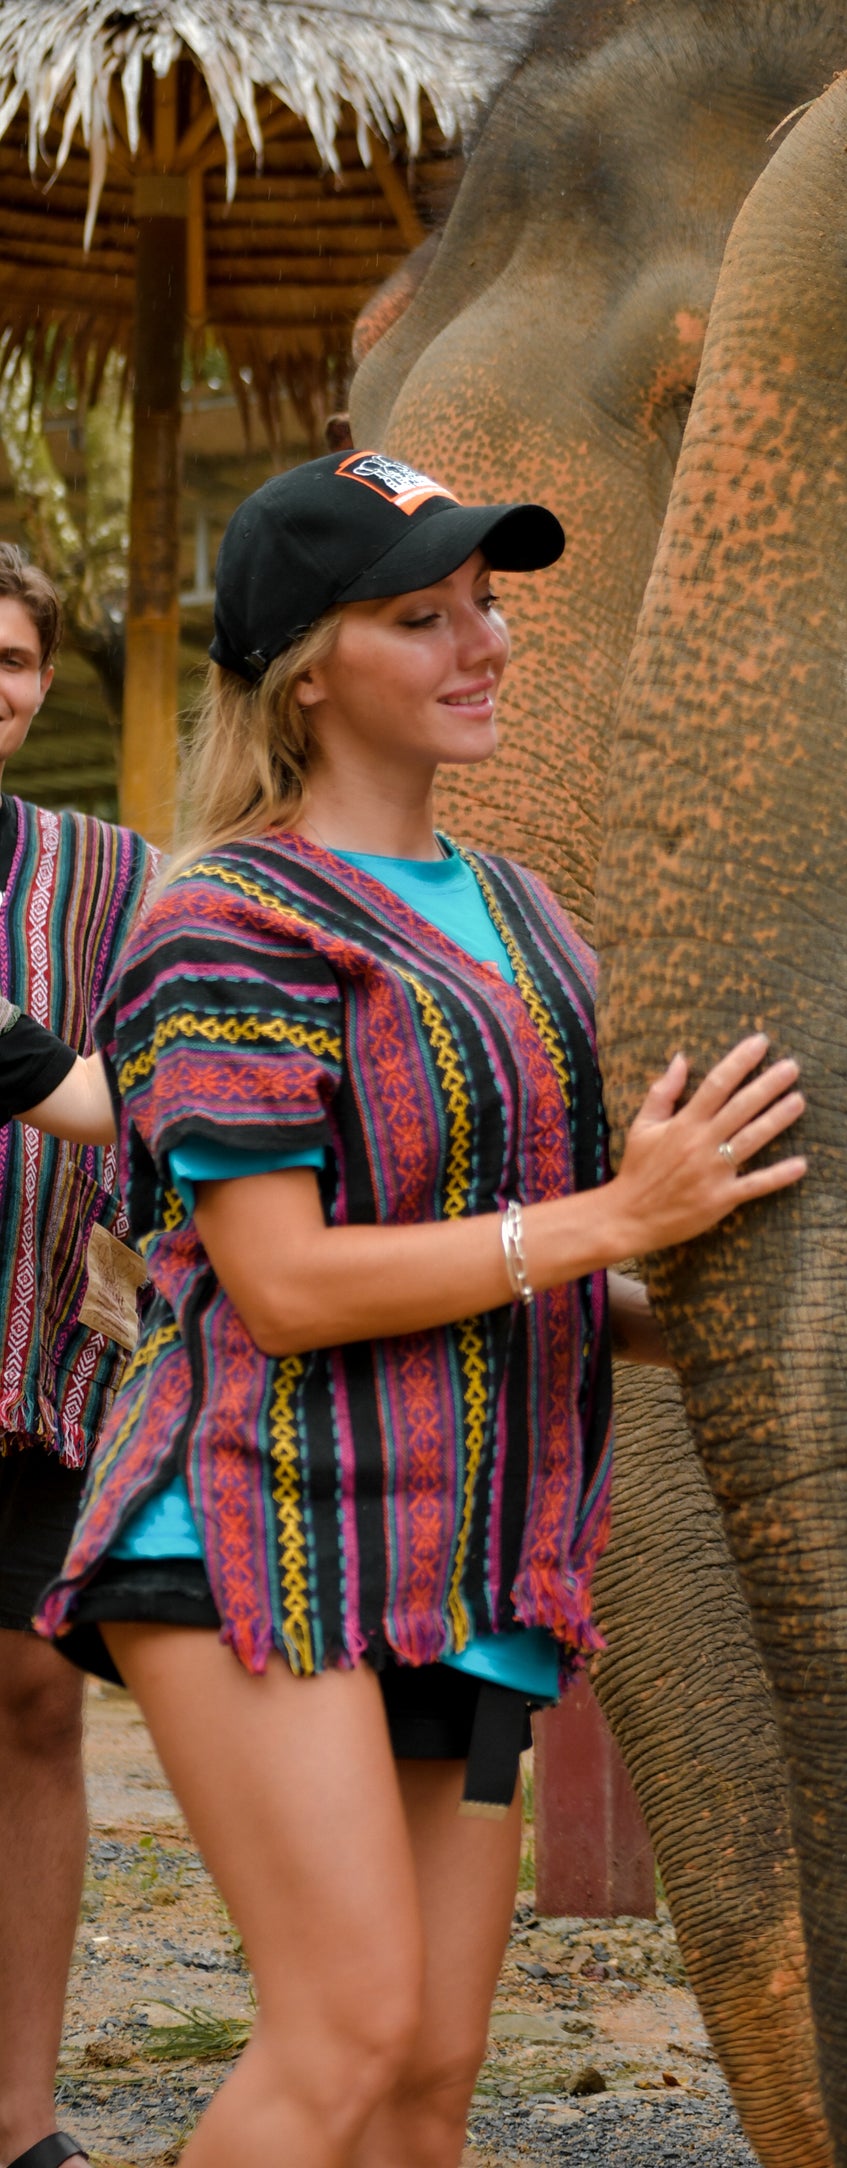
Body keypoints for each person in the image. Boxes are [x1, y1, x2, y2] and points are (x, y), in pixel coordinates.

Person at [37, 451, 807, 2168]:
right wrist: (615, 1216)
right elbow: (290, 1284)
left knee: (426, 2082)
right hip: (257, 1528)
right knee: (344, 2037)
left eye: (486, 605)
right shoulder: (223, 917)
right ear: (309, 668)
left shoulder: (528, 914)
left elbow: (507, 1264)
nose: (485, 644)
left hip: (468, 1553)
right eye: (421, 616)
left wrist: (686, 1289)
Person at [0, 545, 156, 2168]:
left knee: (37, 1713)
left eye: (16, 659)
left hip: (34, 1357)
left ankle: (20, 2119)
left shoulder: (113, 877)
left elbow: (170, 1069)